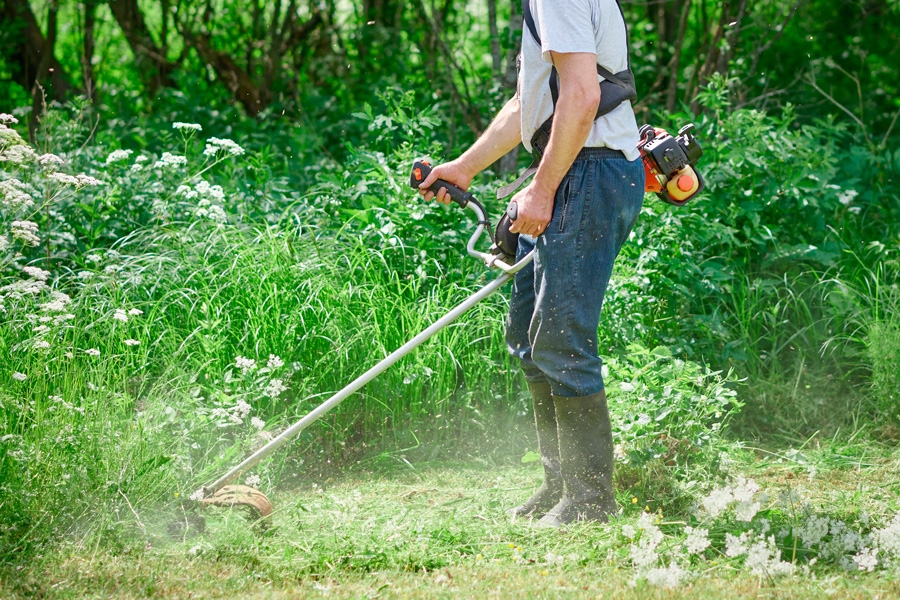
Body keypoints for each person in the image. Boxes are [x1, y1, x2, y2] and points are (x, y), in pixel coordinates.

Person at [418, 0, 644, 527]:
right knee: (528, 334)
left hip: (591, 169)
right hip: (572, 166)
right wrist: (465, 167)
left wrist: (540, 191)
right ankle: (560, 485)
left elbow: (585, 97)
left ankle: (591, 501)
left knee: (561, 337)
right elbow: (532, 101)